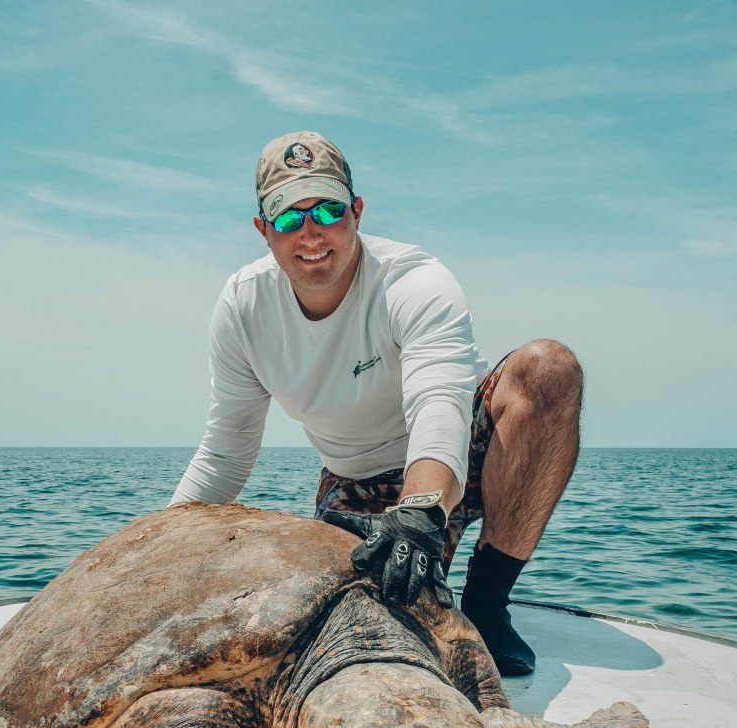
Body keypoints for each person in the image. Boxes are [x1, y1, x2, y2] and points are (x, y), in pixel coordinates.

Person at [171, 131, 583, 676]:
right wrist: (154, 551)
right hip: (358, 483)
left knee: (549, 370)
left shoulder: (414, 280)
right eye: (289, 217)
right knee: (354, 641)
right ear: (263, 230)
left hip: (465, 453)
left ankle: (488, 602)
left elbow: (440, 405)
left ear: (357, 211)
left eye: (328, 208)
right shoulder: (244, 308)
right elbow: (226, 452)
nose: (312, 231)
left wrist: (419, 514)